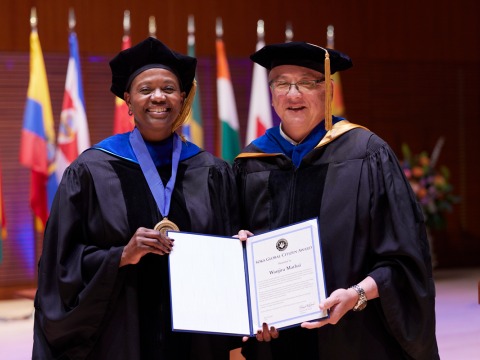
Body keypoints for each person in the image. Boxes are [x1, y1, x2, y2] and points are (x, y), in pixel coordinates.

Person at [33, 37, 239, 360]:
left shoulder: (211, 171)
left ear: (182, 97)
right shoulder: (91, 171)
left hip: (195, 341)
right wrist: (120, 256)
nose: (158, 97)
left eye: (169, 89)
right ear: (128, 100)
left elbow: (230, 250)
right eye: (146, 90)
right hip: (120, 338)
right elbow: (61, 266)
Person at [234, 41, 439, 359]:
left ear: (328, 90)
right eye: (282, 83)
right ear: (271, 94)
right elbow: (236, 244)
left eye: (306, 82)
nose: (293, 94)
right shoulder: (251, 162)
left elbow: (406, 259)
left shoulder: (367, 154)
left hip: (354, 338)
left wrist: (357, 294)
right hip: (277, 342)